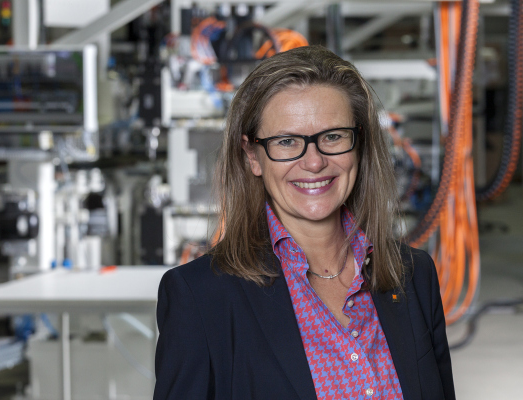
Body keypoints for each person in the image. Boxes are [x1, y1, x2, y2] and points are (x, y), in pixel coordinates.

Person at [153, 45, 455, 400]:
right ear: (252, 156)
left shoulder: (414, 276)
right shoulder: (201, 297)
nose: (314, 162)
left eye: (333, 136)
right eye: (287, 141)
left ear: (359, 144)